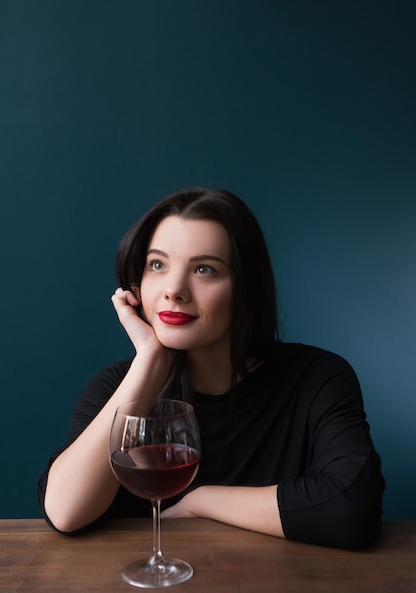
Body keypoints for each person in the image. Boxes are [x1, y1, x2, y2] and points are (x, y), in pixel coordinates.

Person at [38, 187, 385, 549]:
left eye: (205, 269)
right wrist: (150, 362)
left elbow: (349, 510)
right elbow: (65, 511)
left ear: (245, 288)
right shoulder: (114, 385)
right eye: (158, 264)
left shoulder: (317, 378)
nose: (174, 289)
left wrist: (200, 502)